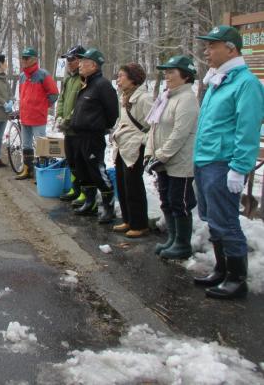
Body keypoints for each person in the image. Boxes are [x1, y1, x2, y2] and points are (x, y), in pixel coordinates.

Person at [192, 26, 264, 299]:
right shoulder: (218, 80)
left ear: (231, 48)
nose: (206, 52)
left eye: (213, 46)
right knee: (213, 219)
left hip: (224, 163)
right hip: (206, 161)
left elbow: (247, 130)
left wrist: (239, 167)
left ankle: (237, 277)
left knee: (227, 221)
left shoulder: (246, 83)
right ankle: (222, 269)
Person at [145, 55, 199, 259]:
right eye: (165, 72)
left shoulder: (187, 99)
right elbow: (154, 127)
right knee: (166, 200)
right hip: (163, 161)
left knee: (179, 202)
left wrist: (161, 155)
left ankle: (183, 244)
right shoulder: (166, 97)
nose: (167, 75)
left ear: (185, 76)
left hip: (179, 162)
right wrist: (150, 153)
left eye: (171, 72)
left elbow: (180, 133)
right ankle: (173, 238)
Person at [68, 48, 119, 217]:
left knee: (97, 171)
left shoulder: (102, 85)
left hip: (93, 137)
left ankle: (108, 207)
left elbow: (112, 112)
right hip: (78, 136)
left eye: (84, 62)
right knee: (83, 171)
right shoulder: (86, 84)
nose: (80, 65)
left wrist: (99, 126)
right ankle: (90, 203)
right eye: (80, 62)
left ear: (94, 65)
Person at [110, 63, 152, 230]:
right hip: (123, 146)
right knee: (123, 183)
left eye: (121, 76)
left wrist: (142, 141)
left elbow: (153, 126)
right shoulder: (124, 97)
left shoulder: (144, 99)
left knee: (134, 185)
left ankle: (139, 224)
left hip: (135, 147)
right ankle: (128, 220)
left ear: (133, 79)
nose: (118, 79)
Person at [14, 47, 59, 180]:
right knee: (26, 145)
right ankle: (28, 169)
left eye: (27, 58)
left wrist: (43, 105)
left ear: (34, 60)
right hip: (25, 116)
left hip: (38, 117)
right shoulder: (22, 76)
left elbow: (54, 94)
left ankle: (42, 172)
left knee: (41, 145)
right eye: (23, 58)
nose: (24, 61)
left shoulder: (43, 75)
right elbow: (21, 95)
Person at [56, 45, 85, 202]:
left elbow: (80, 104)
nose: (68, 62)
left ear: (80, 60)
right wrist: (59, 116)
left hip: (78, 129)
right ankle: (75, 189)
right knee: (71, 160)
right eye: (67, 59)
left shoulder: (84, 78)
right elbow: (61, 99)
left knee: (81, 162)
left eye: (71, 59)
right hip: (67, 130)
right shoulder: (68, 78)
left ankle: (84, 192)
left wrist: (69, 120)